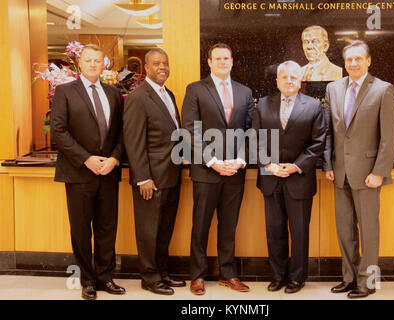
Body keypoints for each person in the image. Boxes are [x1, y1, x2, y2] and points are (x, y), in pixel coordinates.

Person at [323, 40, 394, 298]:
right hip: (339, 172)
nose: (353, 64)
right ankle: (350, 278)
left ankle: (368, 283)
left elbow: (390, 136)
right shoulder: (333, 89)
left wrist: (379, 171)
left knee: (369, 233)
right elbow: (329, 132)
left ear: (368, 61)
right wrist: (328, 164)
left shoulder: (383, 90)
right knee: (344, 230)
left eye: (358, 59)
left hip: (368, 174)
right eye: (349, 60)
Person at [51, 44, 126, 300]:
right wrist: (86, 159)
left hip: (108, 173)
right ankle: (87, 280)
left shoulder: (114, 93)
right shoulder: (64, 92)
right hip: (78, 172)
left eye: (98, 60)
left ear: (104, 64)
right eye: (88, 60)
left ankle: (105, 278)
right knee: (81, 229)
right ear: (79, 64)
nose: (93, 64)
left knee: (107, 228)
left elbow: (122, 132)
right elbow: (59, 132)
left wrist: (115, 159)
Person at [181, 43, 254, 295]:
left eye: (227, 58)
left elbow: (249, 130)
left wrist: (240, 160)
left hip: (235, 172)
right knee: (200, 225)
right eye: (218, 58)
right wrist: (213, 161)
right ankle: (197, 275)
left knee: (229, 224)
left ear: (232, 61)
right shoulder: (195, 89)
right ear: (209, 62)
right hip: (206, 171)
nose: (223, 62)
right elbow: (191, 129)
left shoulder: (244, 92)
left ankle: (228, 273)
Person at [252, 61, 326, 293]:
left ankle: (297, 278)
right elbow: (254, 139)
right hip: (271, 178)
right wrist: (269, 165)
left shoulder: (314, 106)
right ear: (277, 80)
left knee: (299, 231)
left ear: (300, 80)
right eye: (284, 77)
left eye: (294, 77)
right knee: (275, 231)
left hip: (299, 180)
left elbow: (318, 143)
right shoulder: (263, 105)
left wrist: (295, 167)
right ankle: (278, 276)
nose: (289, 81)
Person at [123, 48, 185, 295]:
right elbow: (133, 141)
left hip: (170, 175)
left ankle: (162, 272)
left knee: (163, 229)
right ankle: (149, 277)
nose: (162, 67)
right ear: (146, 68)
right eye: (157, 63)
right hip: (150, 178)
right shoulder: (138, 97)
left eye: (166, 63)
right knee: (149, 230)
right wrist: (143, 177)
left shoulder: (168, 94)